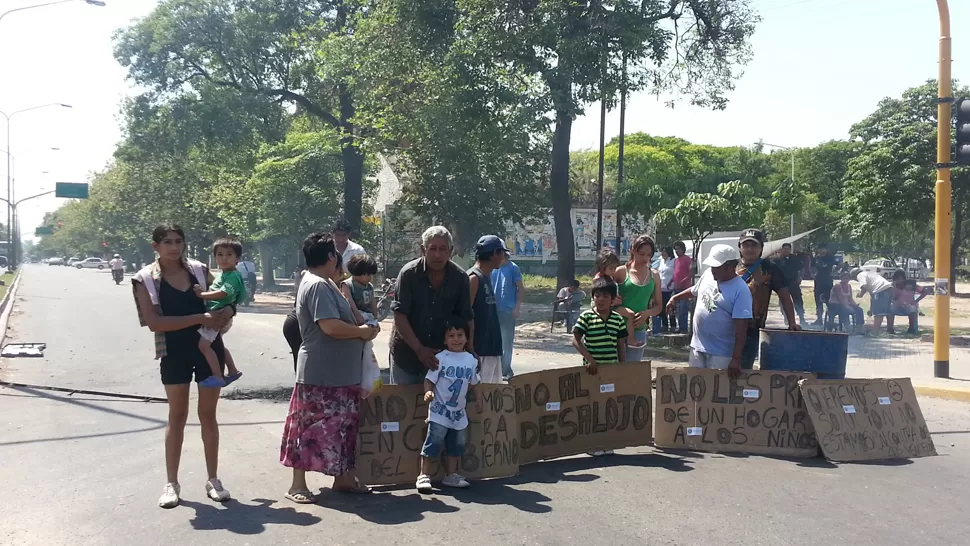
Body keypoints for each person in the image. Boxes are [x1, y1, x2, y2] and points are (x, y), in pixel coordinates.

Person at [132, 222, 234, 508]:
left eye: (179, 241)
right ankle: (172, 483)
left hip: (208, 351)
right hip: (173, 353)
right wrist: (199, 317)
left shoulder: (200, 270)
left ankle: (213, 479)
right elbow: (155, 323)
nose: (174, 247)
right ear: (156, 246)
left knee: (208, 416)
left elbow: (228, 296)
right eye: (167, 242)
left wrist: (226, 312)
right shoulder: (146, 279)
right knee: (177, 416)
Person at [280, 232, 379, 503]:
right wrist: (361, 333)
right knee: (307, 427)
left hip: (339, 373)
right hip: (321, 373)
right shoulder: (317, 285)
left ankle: (343, 478)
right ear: (331, 256)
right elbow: (330, 327)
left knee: (343, 426)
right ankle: (297, 485)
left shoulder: (327, 283)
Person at [390, 226, 474, 385]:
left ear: (450, 250)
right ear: (423, 250)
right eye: (432, 249)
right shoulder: (408, 274)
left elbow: (466, 317)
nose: (437, 255)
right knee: (405, 408)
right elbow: (400, 315)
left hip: (442, 359)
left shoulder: (460, 278)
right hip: (407, 355)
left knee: (438, 407)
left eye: (442, 249)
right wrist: (419, 349)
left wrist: (469, 351)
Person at [416, 317, 482, 493]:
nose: (456, 339)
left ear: (467, 338)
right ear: (444, 339)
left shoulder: (471, 360)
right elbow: (429, 379)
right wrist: (427, 392)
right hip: (439, 410)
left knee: (457, 444)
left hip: (459, 412)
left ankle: (451, 475)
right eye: (451, 335)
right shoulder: (440, 358)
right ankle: (424, 475)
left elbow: (474, 383)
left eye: (460, 335)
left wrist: (478, 399)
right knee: (433, 441)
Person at [666, 244, 752, 378]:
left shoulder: (741, 290)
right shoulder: (708, 275)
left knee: (716, 395)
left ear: (730, 267)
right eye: (712, 266)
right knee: (696, 391)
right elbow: (695, 290)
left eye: (716, 267)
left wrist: (736, 359)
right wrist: (675, 298)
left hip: (721, 354)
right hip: (697, 347)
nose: (713, 270)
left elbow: (742, 328)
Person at [736, 229, 800, 369]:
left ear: (761, 248)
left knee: (744, 368)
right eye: (746, 245)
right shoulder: (730, 266)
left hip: (752, 329)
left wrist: (792, 322)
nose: (750, 249)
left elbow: (784, 294)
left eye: (754, 245)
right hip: (727, 328)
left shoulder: (770, 268)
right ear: (739, 247)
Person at [195, 237, 246, 388]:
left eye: (229, 255)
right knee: (218, 343)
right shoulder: (223, 274)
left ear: (237, 258)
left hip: (218, 315)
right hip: (219, 311)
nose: (224, 258)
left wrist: (201, 295)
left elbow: (224, 293)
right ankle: (233, 370)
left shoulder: (232, 276)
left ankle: (218, 376)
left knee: (204, 346)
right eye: (220, 254)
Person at [612, 235, 663, 362]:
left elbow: (659, 306)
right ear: (632, 250)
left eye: (649, 255)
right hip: (616, 328)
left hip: (638, 331)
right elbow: (601, 293)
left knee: (632, 373)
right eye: (642, 254)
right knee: (612, 372)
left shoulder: (654, 275)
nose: (646, 258)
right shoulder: (621, 271)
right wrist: (612, 301)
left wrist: (647, 313)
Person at [468, 235, 506, 384]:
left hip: (492, 348)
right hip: (480, 350)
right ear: (495, 253)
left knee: (493, 399)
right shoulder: (474, 278)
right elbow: (466, 315)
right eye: (502, 253)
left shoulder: (487, 276)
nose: (503, 257)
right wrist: (470, 349)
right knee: (481, 398)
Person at [572, 276, 629, 373]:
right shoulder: (586, 317)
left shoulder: (618, 319)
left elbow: (621, 345)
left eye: (606, 296)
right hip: (591, 369)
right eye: (597, 296)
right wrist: (590, 360)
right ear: (593, 297)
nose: (601, 299)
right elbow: (575, 341)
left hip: (611, 369)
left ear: (613, 299)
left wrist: (622, 366)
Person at [491, 254, 524, 381]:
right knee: (495, 341)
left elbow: (520, 288)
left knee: (506, 342)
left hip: (508, 310)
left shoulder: (513, 268)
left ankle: (506, 369)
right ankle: (497, 369)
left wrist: (517, 307)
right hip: (493, 309)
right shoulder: (494, 267)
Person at [594, 249, 636, 343]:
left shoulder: (610, 277)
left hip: (614, 305)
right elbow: (599, 297)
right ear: (602, 267)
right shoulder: (600, 280)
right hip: (609, 307)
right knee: (630, 315)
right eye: (611, 268)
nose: (614, 271)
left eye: (615, 268)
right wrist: (612, 301)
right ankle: (631, 339)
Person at [774, 243, 806, 327]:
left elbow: (802, 268)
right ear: (782, 250)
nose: (786, 250)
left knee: (798, 301)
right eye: (784, 249)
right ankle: (787, 319)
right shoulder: (778, 260)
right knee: (784, 302)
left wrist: (800, 278)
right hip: (783, 284)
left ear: (790, 250)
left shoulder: (795, 258)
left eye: (788, 249)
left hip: (794, 283)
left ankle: (802, 318)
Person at [341, 253, 379, 325]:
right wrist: (357, 315)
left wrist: (375, 318)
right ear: (357, 271)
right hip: (353, 316)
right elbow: (349, 301)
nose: (370, 277)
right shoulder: (347, 285)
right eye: (368, 274)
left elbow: (372, 303)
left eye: (371, 275)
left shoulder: (369, 286)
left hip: (368, 316)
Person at [853, 267, 893, 334]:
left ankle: (875, 332)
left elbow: (864, 287)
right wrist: (871, 309)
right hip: (889, 289)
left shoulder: (860, 275)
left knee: (879, 313)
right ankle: (890, 329)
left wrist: (861, 294)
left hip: (880, 290)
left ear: (854, 275)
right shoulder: (869, 274)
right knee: (887, 311)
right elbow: (873, 296)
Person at [888, 269, 925, 335]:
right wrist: (893, 288)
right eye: (898, 279)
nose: (900, 281)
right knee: (890, 308)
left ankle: (911, 328)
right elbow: (893, 298)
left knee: (913, 308)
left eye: (901, 279)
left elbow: (925, 291)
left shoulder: (910, 284)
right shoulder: (892, 286)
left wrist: (916, 300)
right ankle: (890, 329)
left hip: (909, 305)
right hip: (897, 306)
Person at [811, 244, 837, 325]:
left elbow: (840, 264)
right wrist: (813, 273)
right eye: (820, 249)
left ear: (826, 249)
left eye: (823, 249)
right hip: (818, 282)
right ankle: (819, 320)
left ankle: (831, 320)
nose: (821, 250)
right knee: (818, 301)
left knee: (829, 302)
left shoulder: (830, 257)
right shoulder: (816, 258)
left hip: (828, 282)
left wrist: (834, 272)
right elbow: (812, 266)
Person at [672, 241, 693, 333]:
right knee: (677, 309)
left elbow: (691, 273)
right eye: (675, 249)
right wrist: (670, 282)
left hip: (685, 288)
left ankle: (683, 329)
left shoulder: (688, 259)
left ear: (683, 249)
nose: (677, 251)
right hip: (676, 287)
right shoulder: (676, 260)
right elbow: (675, 273)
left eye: (678, 249)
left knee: (683, 309)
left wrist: (684, 280)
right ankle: (679, 327)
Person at [654, 246, 676, 334]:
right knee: (662, 307)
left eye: (664, 252)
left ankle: (673, 325)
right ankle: (665, 325)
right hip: (661, 288)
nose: (662, 254)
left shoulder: (674, 261)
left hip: (670, 288)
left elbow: (675, 274)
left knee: (670, 307)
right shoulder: (662, 261)